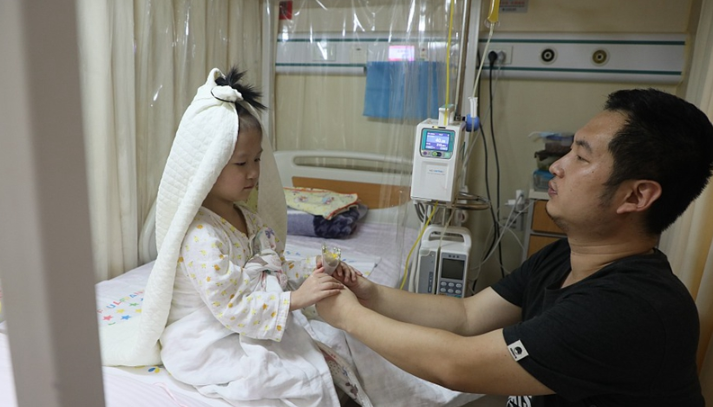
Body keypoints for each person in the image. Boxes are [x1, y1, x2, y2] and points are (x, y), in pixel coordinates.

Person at [316, 88, 713, 406]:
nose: (557, 165)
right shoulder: (565, 256)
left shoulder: (628, 310)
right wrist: (370, 294)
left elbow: (455, 364)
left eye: (581, 156)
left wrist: (349, 316)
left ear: (636, 196)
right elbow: (466, 315)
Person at [142, 67, 358, 406]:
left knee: (339, 342)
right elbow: (232, 305)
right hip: (205, 334)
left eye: (257, 159)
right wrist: (295, 300)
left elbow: (272, 267)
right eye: (241, 163)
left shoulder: (250, 218)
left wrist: (315, 270)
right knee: (285, 378)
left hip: (245, 318)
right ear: (208, 165)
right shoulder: (201, 235)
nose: (254, 172)